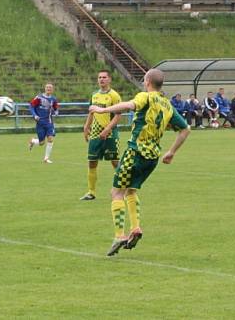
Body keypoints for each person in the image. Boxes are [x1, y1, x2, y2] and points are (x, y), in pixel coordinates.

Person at [89, 69, 190, 257]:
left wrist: (103, 110)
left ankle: (119, 235)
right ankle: (135, 228)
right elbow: (185, 129)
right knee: (131, 190)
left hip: (136, 150)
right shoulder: (168, 105)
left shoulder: (146, 96)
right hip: (152, 157)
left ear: (147, 81)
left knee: (116, 192)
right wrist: (171, 152)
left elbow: (129, 105)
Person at [80, 70, 122, 201]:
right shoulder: (94, 95)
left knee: (115, 162)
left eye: (104, 77)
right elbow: (91, 112)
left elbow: (118, 115)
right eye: (99, 77)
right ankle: (91, 192)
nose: (102, 79)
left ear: (109, 79)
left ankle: (122, 189)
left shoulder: (114, 95)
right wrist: (86, 127)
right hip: (95, 134)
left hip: (110, 134)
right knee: (92, 162)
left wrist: (107, 129)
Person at [27, 82, 59, 164]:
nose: (48, 89)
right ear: (45, 89)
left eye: (50, 88)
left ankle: (46, 158)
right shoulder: (39, 98)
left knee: (50, 139)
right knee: (41, 143)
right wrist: (35, 115)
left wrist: (56, 112)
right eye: (47, 87)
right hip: (40, 123)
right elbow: (31, 106)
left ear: (52, 90)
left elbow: (56, 108)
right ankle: (33, 141)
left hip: (49, 122)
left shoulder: (53, 99)